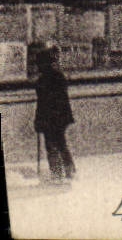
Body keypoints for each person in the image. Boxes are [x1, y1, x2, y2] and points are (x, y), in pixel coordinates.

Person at [32, 41, 75, 183]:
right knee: (60, 143)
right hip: (59, 117)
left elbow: (43, 104)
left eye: (39, 64)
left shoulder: (44, 80)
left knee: (52, 145)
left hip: (52, 118)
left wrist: (39, 121)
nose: (38, 67)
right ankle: (69, 170)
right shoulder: (58, 76)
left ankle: (57, 173)